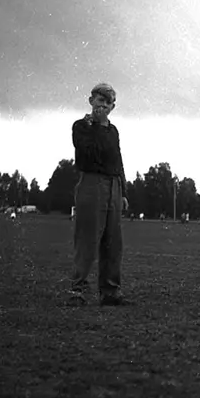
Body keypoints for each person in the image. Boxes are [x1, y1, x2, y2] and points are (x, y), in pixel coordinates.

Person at [69, 83, 130, 306]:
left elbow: (117, 160)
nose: (103, 105)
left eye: (108, 102)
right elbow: (89, 153)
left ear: (113, 107)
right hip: (92, 183)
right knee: (87, 238)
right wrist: (97, 125)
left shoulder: (113, 131)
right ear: (91, 101)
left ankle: (110, 291)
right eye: (100, 100)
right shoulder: (81, 127)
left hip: (114, 186)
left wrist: (123, 191)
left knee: (113, 242)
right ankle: (78, 291)